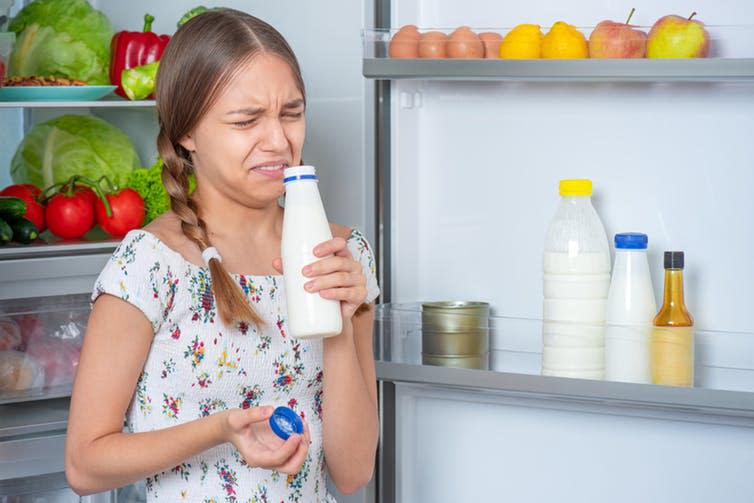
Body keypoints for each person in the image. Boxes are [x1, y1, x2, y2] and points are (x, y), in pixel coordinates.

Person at [65, 8, 380, 502]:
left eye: (291, 113)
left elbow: (353, 471)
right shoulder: (151, 264)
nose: (279, 141)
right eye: (246, 120)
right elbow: (85, 464)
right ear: (188, 132)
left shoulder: (344, 254)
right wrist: (220, 430)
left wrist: (337, 323)